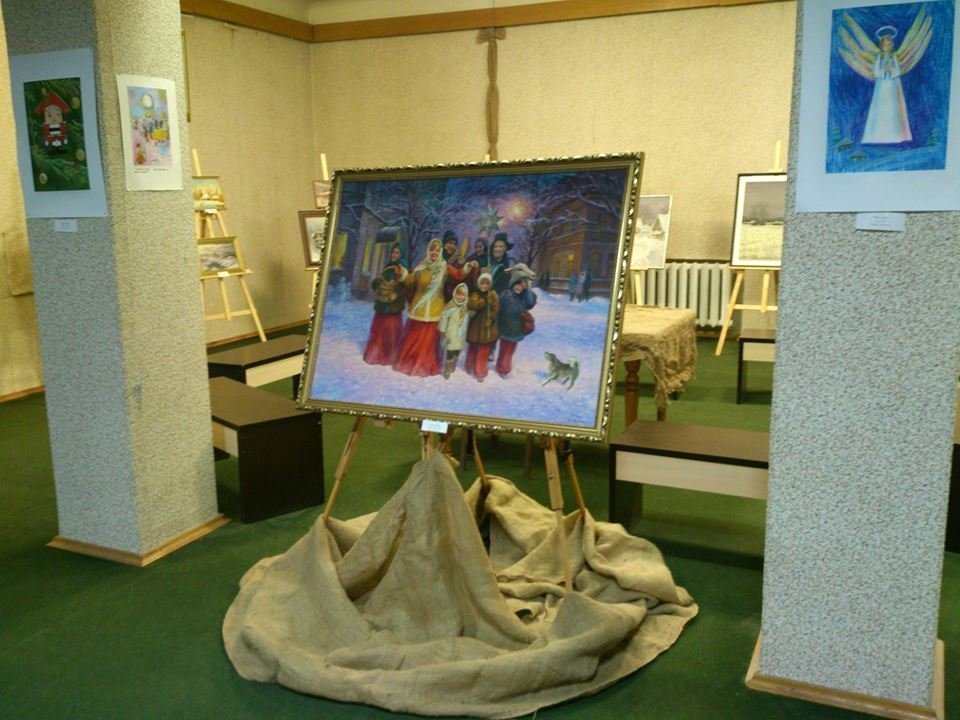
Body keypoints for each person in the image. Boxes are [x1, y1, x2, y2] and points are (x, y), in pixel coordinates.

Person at [393, 238, 474, 377]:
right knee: (414, 338)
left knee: (430, 341)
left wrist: (468, 266)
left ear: (440, 251)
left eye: (437, 250)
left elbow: (458, 275)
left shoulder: (444, 267)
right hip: (419, 309)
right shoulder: (421, 267)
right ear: (428, 251)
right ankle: (411, 362)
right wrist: (403, 273)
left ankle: (426, 364)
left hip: (435, 310)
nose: (434, 252)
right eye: (432, 250)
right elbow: (410, 282)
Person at [496, 269, 537, 378]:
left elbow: (530, 303)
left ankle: (504, 369)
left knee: (510, 350)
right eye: (517, 285)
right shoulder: (506, 294)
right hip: (504, 326)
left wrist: (527, 288)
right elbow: (498, 308)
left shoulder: (524, 297)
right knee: (503, 348)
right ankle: (500, 366)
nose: (519, 288)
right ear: (512, 284)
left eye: (521, 286)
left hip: (516, 328)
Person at [362, 265, 405, 366]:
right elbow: (375, 285)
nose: (395, 255)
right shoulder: (387, 270)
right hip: (383, 308)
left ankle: (389, 355)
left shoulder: (402, 274)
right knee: (380, 332)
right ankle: (378, 353)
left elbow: (403, 287)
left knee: (391, 332)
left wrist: (397, 294)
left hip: (393, 310)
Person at [465, 272, 499, 382]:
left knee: (483, 351)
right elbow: (472, 305)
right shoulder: (475, 294)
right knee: (472, 348)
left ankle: (480, 371)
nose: (484, 286)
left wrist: (491, 318)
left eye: (487, 283)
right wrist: (484, 301)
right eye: (482, 283)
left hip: (487, 327)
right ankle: (469, 366)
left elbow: (495, 308)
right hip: (475, 327)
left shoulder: (493, 294)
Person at [437, 283, 471, 379]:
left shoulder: (466, 306)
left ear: (466, 296)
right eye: (458, 294)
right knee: (450, 351)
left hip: (461, 335)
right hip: (451, 334)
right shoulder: (450, 306)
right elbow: (444, 318)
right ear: (454, 294)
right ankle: (447, 368)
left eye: (462, 295)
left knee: (457, 350)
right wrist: (442, 330)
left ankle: (453, 364)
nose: (460, 297)